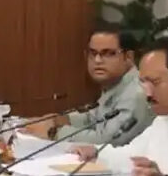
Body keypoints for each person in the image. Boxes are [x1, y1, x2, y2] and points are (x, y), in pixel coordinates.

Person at [73, 38, 168, 176]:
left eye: (155, 82)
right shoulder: (162, 122)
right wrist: (96, 153)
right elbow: (131, 157)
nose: (147, 93)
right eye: (143, 82)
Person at [25, 24, 154, 145]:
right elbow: (94, 119)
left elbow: (108, 141)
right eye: (93, 53)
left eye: (108, 53)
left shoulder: (137, 94)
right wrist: (60, 120)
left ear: (128, 57)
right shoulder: (115, 85)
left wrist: (54, 132)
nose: (97, 60)